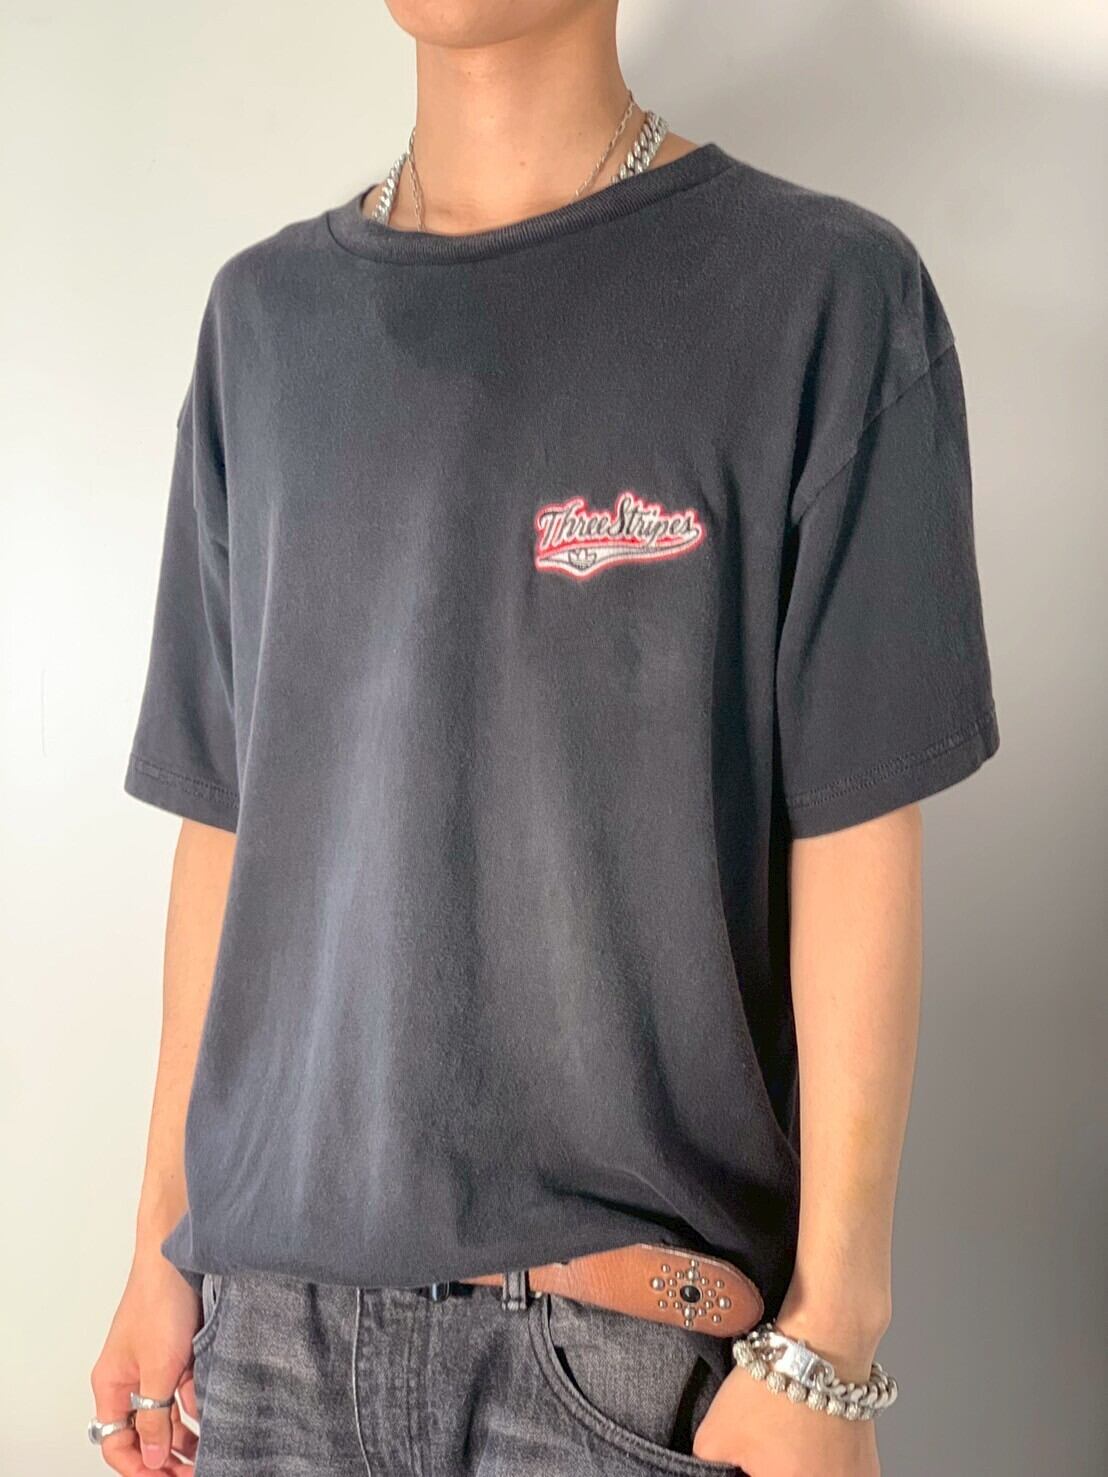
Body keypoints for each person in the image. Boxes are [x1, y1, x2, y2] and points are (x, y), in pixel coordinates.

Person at [89, 2, 1000, 1474]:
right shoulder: (262, 321)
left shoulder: (821, 295)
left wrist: (834, 1333)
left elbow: (854, 824)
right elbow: (229, 823)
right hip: (265, 1355)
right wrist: (157, 1249)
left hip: (621, 1371)